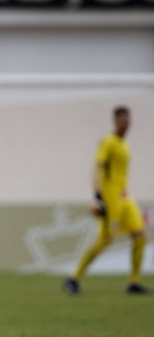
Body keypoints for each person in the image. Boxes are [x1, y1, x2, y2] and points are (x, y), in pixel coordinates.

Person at [63, 106, 148, 295]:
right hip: (110, 199)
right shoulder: (108, 142)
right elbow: (97, 168)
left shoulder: (125, 145)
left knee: (140, 234)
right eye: (123, 119)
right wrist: (97, 196)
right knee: (104, 240)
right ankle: (72, 278)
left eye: (128, 118)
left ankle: (134, 282)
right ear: (115, 121)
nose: (127, 122)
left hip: (126, 197)